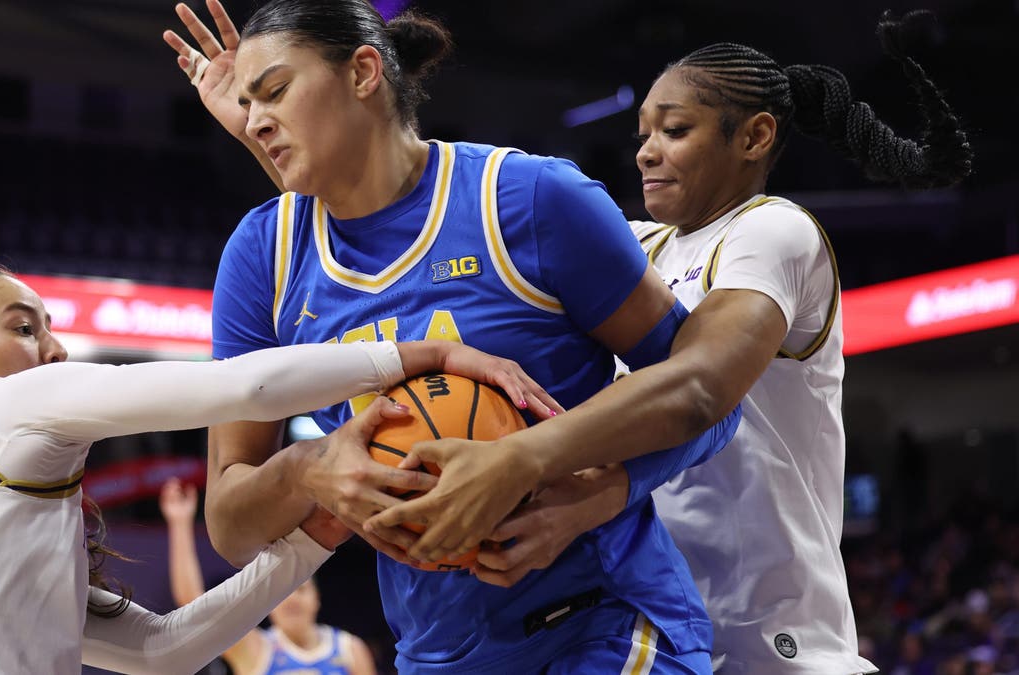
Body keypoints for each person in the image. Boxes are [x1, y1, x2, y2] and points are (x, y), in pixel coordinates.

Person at [362, 10, 972, 675]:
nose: (646, 151)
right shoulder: (635, 247)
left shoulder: (773, 231)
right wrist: (358, 114)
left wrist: (527, 464)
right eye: (644, 132)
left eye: (675, 131)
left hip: (768, 637)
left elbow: (700, 385)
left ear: (755, 136)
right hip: (643, 618)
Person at [164, 1, 742, 673]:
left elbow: (712, 399)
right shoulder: (263, 257)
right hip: (437, 650)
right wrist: (310, 468)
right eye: (247, 102)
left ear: (362, 72)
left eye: (275, 91)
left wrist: (595, 496)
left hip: (602, 621)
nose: (255, 119)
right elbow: (231, 521)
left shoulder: (527, 200)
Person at [0, 266, 555, 674]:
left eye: (48, 327)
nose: (54, 351)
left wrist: (314, 536)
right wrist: (423, 354)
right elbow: (240, 389)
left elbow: (162, 649)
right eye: (22, 328)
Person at [160, 478, 376, 675]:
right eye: (282, 594)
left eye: (300, 590)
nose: (291, 599)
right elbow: (193, 604)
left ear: (316, 598)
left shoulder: (350, 649)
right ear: (269, 605)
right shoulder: (256, 648)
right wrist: (180, 523)